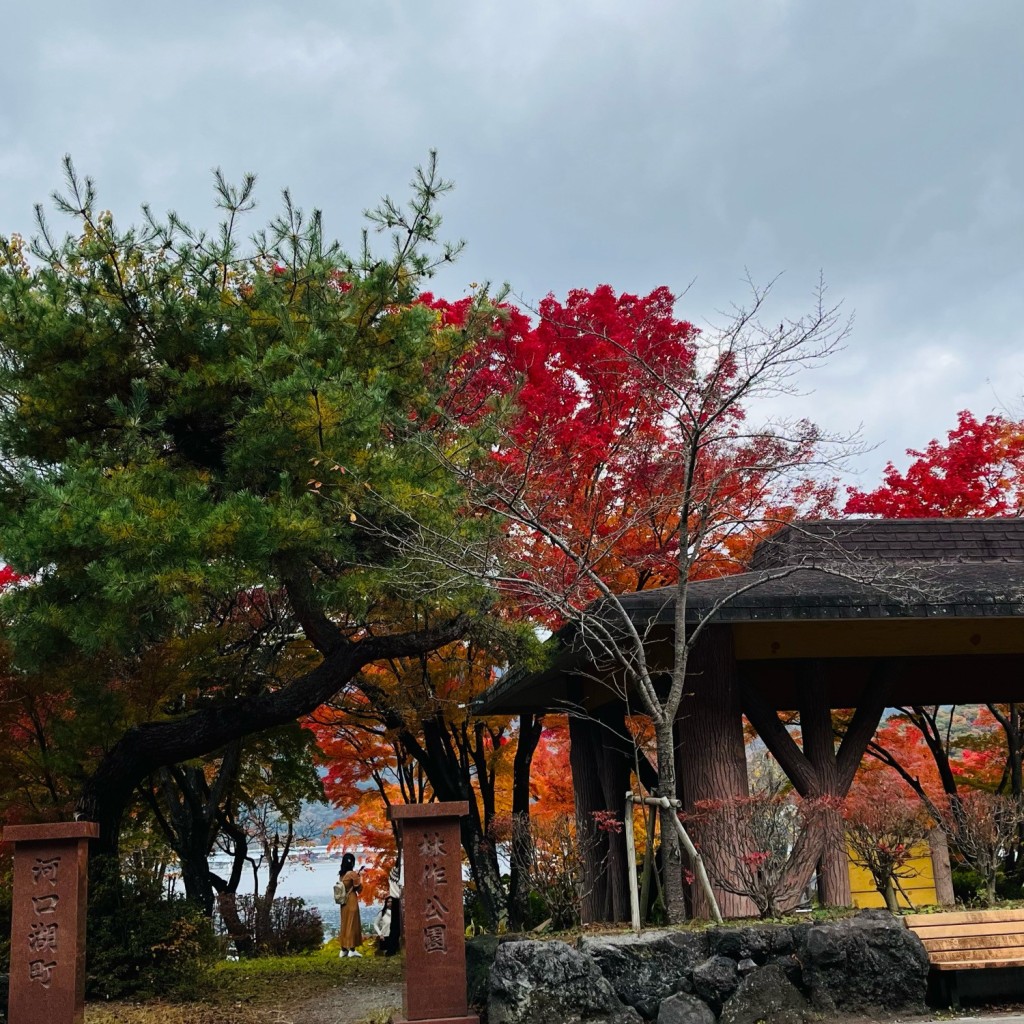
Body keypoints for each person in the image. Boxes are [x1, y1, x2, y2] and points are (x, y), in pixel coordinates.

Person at [335, 853, 363, 957]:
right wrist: (359, 879)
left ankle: (343, 949)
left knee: (345, 924)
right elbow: (359, 889)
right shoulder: (352, 874)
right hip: (351, 900)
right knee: (352, 924)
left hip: (343, 902)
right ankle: (352, 949)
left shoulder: (341, 875)